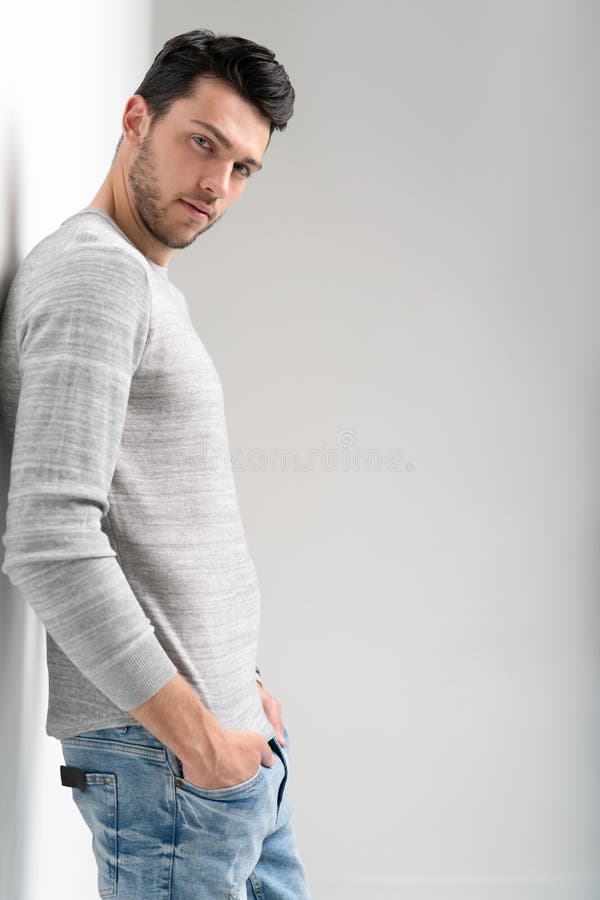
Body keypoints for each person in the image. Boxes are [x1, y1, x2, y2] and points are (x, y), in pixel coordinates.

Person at [0, 28, 310, 899]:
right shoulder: (96, 279)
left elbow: (163, 518)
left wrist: (240, 694)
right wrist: (197, 737)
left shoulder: (140, 281)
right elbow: (49, 538)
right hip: (171, 764)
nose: (217, 184)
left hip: (223, 751)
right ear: (137, 117)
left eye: (243, 167)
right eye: (202, 143)